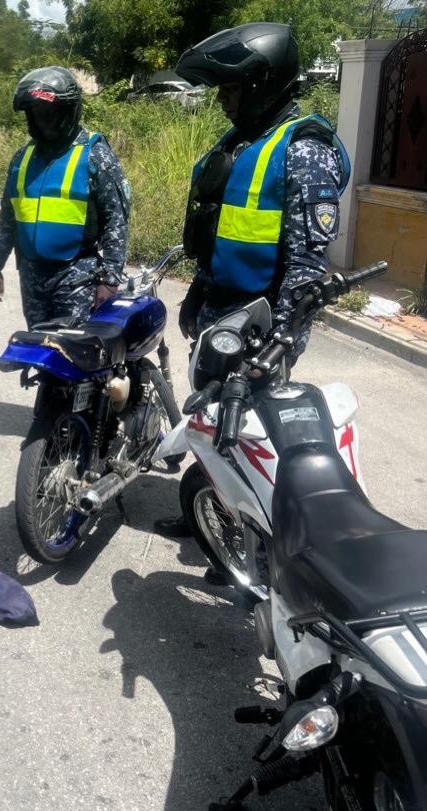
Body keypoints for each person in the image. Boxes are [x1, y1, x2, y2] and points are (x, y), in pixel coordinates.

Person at [154, 22, 350, 543]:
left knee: (249, 427)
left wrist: (278, 343)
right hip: (221, 308)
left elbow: (306, 267)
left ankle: (255, 542)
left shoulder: (304, 149)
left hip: (264, 323)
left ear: (263, 83)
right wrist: (198, 290)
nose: (222, 100)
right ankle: (210, 512)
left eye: (231, 88)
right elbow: (218, 228)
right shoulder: (242, 142)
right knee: (212, 418)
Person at [0, 66, 130, 329]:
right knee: (39, 353)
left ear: (68, 111)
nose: (44, 120)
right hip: (32, 277)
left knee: (73, 357)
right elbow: (8, 218)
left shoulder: (94, 155)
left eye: (50, 113)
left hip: (76, 277)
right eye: (37, 113)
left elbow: (116, 220)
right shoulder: (23, 158)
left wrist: (110, 279)